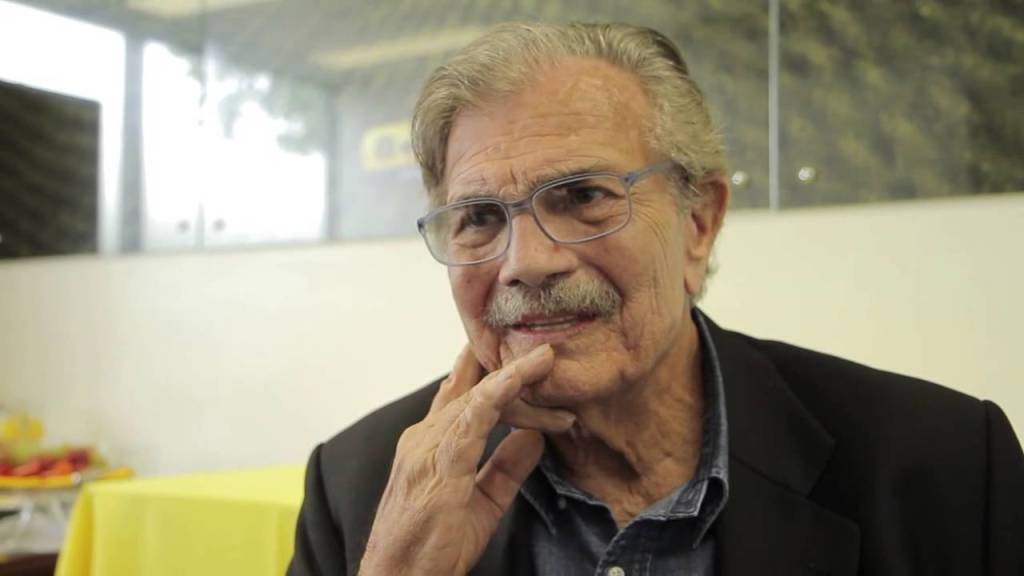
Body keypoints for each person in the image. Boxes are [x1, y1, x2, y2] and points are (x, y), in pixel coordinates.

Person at [287, 21, 1023, 575]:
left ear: (699, 221)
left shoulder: (944, 465)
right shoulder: (358, 489)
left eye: (583, 197)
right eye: (479, 217)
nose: (527, 263)